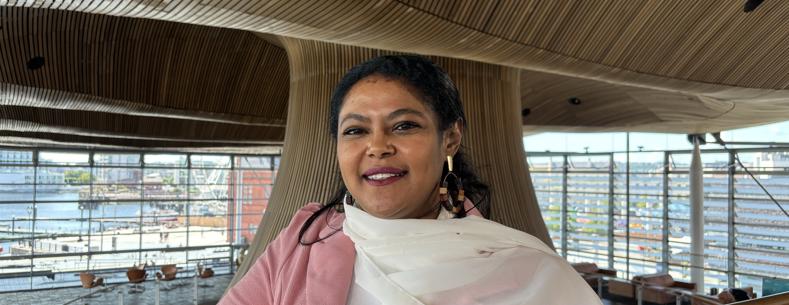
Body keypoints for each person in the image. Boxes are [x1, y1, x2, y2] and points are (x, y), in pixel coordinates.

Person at [219, 55, 600, 305]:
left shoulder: (527, 272)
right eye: (355, 131)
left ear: (449, 137)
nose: (377, 146)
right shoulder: (301, 241)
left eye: (404, 126)